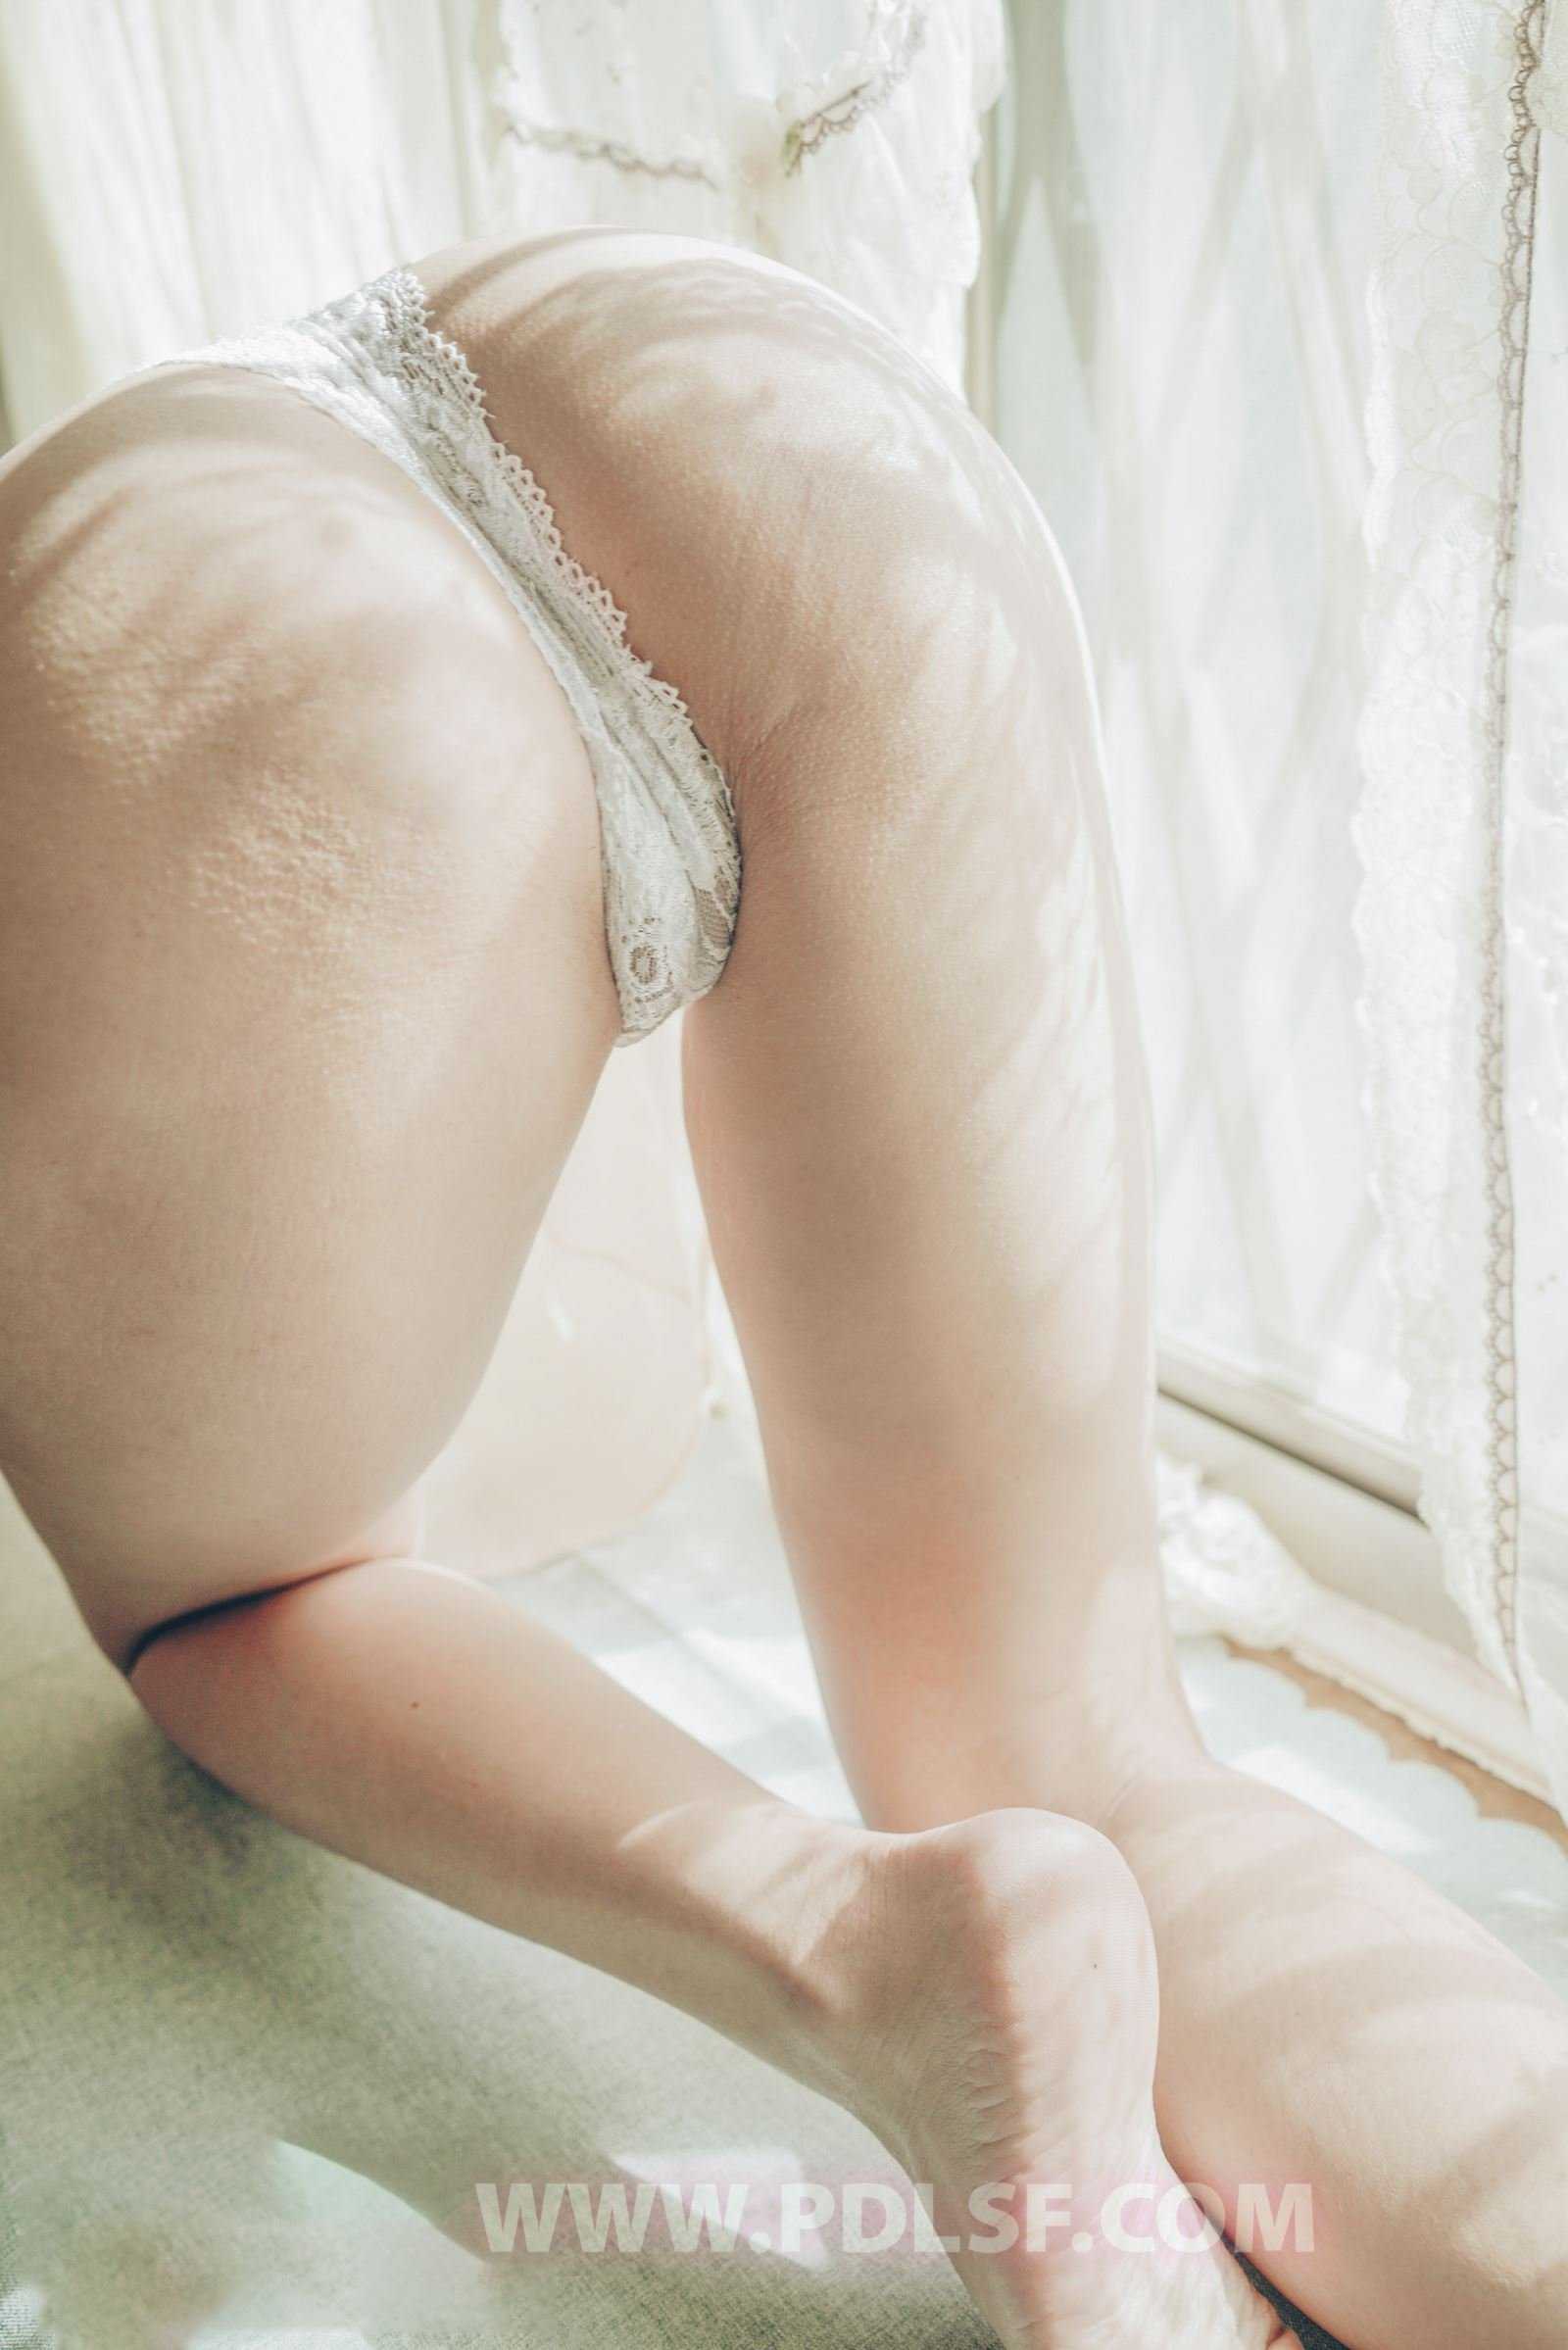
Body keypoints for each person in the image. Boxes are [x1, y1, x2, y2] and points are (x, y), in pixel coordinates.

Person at [1, 225, 1562, 2350]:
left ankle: (859, 1948)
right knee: (1083, 1744)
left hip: (170, 671)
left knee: (216, 1604)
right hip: (764, 415)